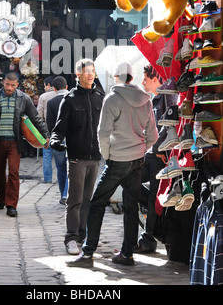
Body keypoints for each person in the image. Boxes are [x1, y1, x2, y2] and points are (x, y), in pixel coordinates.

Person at [67, 60, 158, 268]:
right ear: (132, 78)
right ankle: (127, 254)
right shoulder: (146, 100)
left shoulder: (112, 99)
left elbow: (103, 132)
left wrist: (107, 156)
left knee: (97, 203)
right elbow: (152, 135)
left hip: (117, 160)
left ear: (116, 78)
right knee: (131, 206)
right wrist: (140, 150)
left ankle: (88, 253)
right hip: (136, 161)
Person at [0, 72, 49, 217]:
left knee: (14, 172)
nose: (9, 88)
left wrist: (45, 135)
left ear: (17, 85)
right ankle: (1, 200)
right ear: (4, 82)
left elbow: (35, 118)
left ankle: (11, 205)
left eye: (12, 85)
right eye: (7, 84)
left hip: (15, 142)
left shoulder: (24, 99)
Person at [50, 58, 104, 255]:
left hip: (95, 158)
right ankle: (71, 238)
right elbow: (59, 129)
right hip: (76, 158)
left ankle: (83, 236)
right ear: (77, 75)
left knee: (88, 200)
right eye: (85, 71)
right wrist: (55, 141)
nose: (89, 74)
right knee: (75, 200)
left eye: (92, 70)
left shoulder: (100, 97)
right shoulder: (70, 99)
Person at [134, 64, 178, 254]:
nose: (142, 82)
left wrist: (158, 147)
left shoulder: (167, 96)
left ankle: (149, 236)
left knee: (153, 197)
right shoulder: (156, 99)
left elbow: (170, 125)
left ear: (155, 78)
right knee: (132, 184)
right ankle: (153, 230)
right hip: (152, 153)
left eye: (145, 78)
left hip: (159, 155)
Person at [46, 76, 69, 204]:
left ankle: (63, 194)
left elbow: (50, 124)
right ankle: (66, 194)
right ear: (66, 87)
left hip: (58, 140)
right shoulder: (73, 99)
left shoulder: (52, 103)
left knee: (61, 169)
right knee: (70, 168)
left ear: (54, 89)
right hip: (72, 140)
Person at [37, 76, 57, 182]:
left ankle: (48, 178)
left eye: (44, 86)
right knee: (61, 154)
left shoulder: (43, 97)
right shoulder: (63, 95)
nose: (44, 88)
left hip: (47, 129)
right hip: (60, 129)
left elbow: (39, 115)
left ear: (48, 85)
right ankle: (62, 177)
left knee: (47, 154)